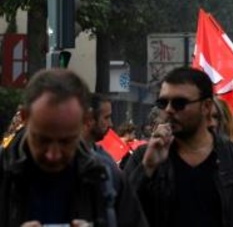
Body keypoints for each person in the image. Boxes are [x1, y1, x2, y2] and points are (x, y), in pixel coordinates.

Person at [124, 67, 233, 227]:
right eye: (163, 102)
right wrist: (147, 168)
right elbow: (122, 214)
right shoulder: (144, 158)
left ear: (206, 106)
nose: (169, 110)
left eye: (179, 103)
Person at [0, 68, 148, 227]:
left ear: (86, 121)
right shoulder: (4, 175)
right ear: (25, 117)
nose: (53, 154)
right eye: (43, 140)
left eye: (65, 141)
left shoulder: (107, 179)